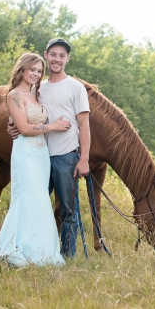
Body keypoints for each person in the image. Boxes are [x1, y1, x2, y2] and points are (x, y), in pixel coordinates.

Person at [9, 37, 91, 258]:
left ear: (67, 59)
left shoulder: (75, 87)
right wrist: (12, 126)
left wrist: (84, 159)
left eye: (62, 56)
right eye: (53, 54)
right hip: (39, 157)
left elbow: (84, 125)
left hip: (66, 157)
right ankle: (35, 252)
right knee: (37, 206)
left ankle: (67, 256)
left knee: (67, 210)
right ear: (46, 56)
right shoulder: (38, 88)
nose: (57, 59)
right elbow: (24, 115)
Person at [0, 53, 70, 267]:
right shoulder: (14, 95)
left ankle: (42, 250)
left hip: (41, 154)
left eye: (39, 71)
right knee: (27, 197)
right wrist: (53, 127)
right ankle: (20, 248)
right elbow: (24, 128)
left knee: (40, 200)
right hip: (25, 154)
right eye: (32, 69)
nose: (35, 74)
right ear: (22, 69)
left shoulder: (35, 94)